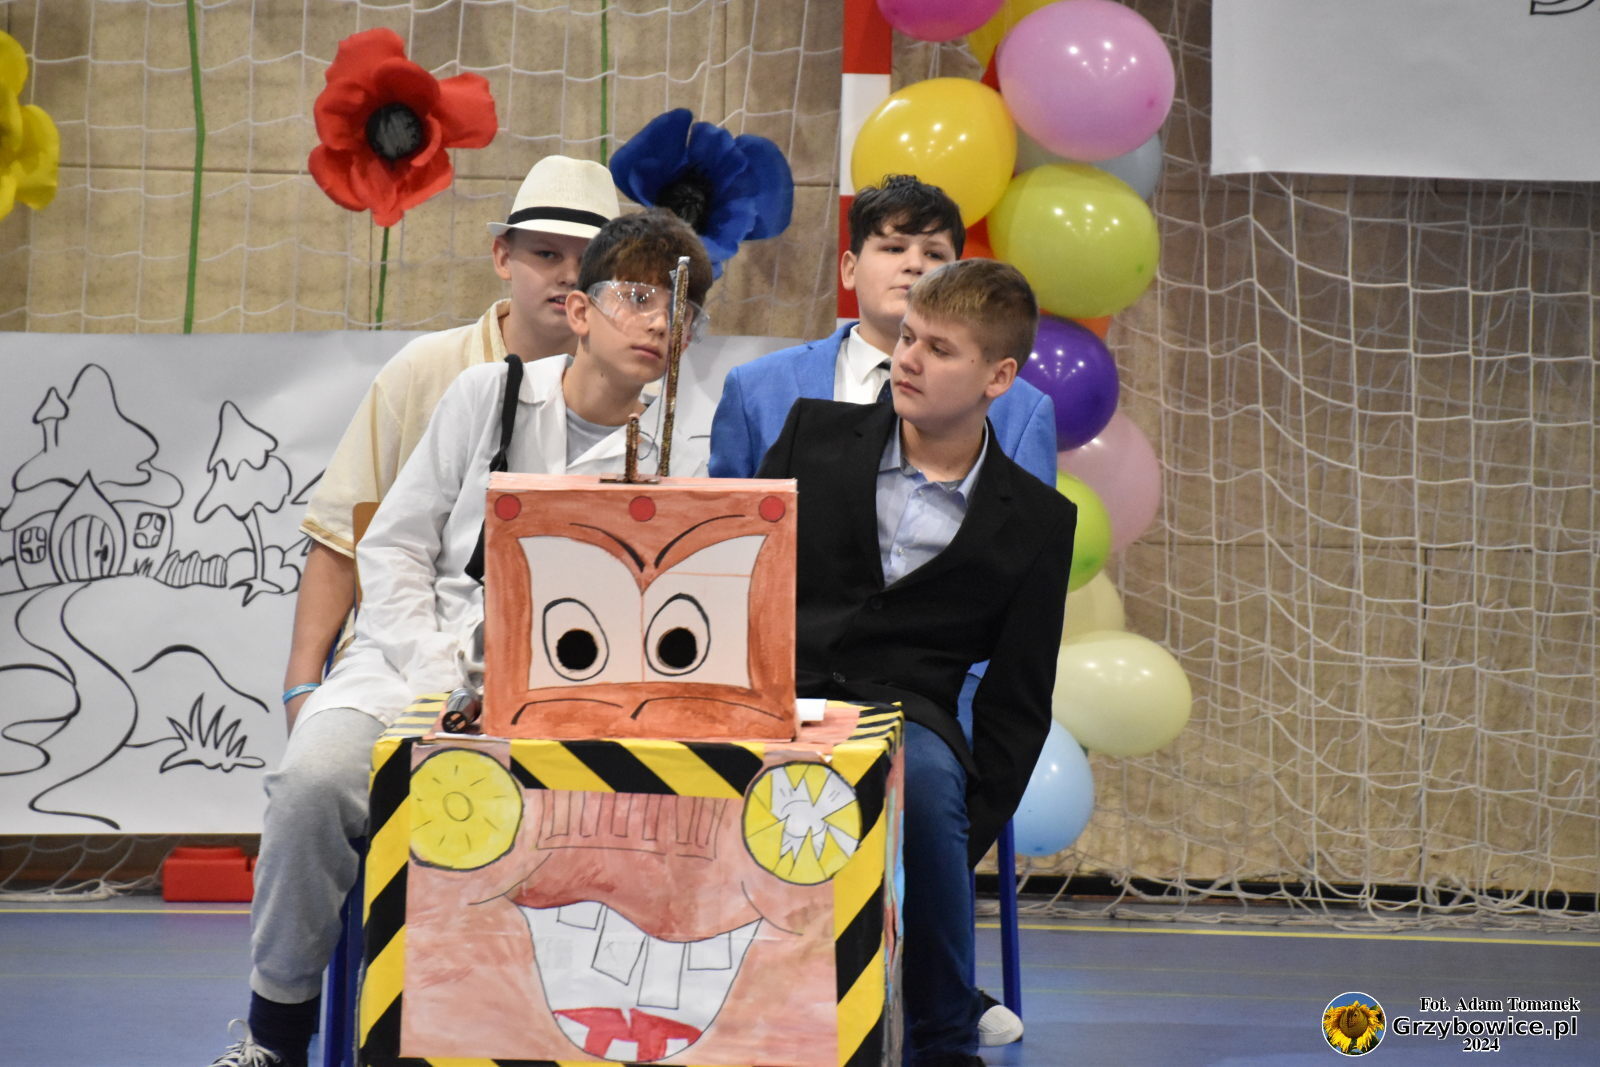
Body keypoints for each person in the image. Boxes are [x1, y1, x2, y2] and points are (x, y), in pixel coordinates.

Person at [210, 210, 715, 1067]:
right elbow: (395, 546)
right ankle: (275, 1033)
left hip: (572, 704)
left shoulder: (690, 446)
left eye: (682, 307)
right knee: (313, 782)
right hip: (409, 667)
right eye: (637, 297)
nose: (661, 321)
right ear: (580, 309)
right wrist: (440, 676)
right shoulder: (488, 394)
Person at [712, 174, 1050, 1047]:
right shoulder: (813, 433)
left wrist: (959, 824)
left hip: (910, 712)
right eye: (907, 339)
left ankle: (941, 1021)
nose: (908, 359)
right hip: (777, 685)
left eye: (939, 349)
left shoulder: (1036, 520)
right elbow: (735, 572)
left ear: (998, 377)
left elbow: (1017, 701)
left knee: (930, 785)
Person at [282, 154, 621, 732]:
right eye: (546, 254)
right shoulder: (426, 369)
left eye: (588, 262)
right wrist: (301, 685)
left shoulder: (633, 400)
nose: (569, 276)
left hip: (570, 673)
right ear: (502, 256)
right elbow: (341, 535)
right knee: (318, 773)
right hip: (398, 658)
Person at [709, 173, 1056, 487]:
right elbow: (722, 525)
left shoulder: (1021, 409)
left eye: (935, 255)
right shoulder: (755, 388)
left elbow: (1026, 530)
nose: (915, 264)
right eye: (894, 248)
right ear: (849, 269)